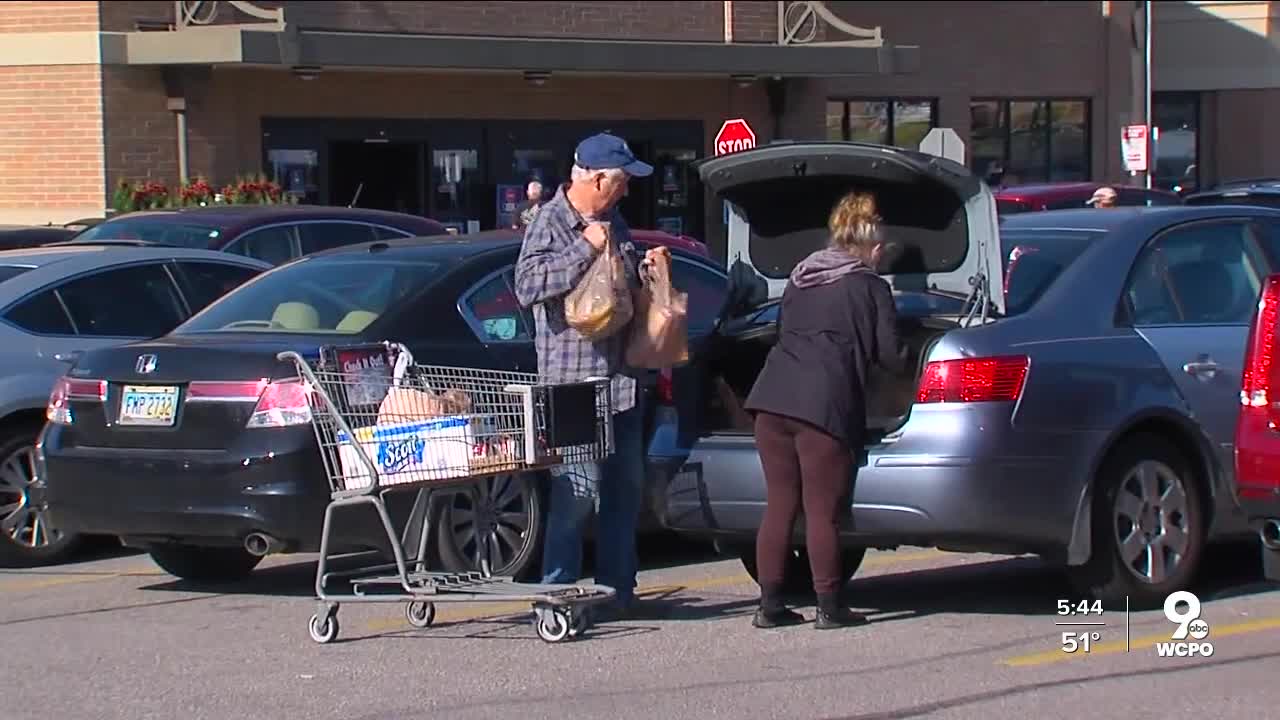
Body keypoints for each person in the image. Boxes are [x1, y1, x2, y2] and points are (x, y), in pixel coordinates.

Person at [513, 132, 663, 617]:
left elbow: (619, 281)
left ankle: (617, 591)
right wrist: (583, 248)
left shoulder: (614, 220)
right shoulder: (551, 221)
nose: (625, 192)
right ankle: (555, 597)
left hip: (621, 382)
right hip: (572, 385)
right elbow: (528, 285)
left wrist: (647, 269)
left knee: (624, 492)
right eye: (620, 182)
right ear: (598, 179)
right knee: (576, 495)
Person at [743, 191, 906, 630]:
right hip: (823, 406)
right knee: (821, 511)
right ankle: (830, 606)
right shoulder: (871, 286)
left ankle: (770, 606)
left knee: (779, 505)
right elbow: (891, 356)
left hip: (772, 400)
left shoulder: (801, 278)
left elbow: (780, 331)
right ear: (872, 248)